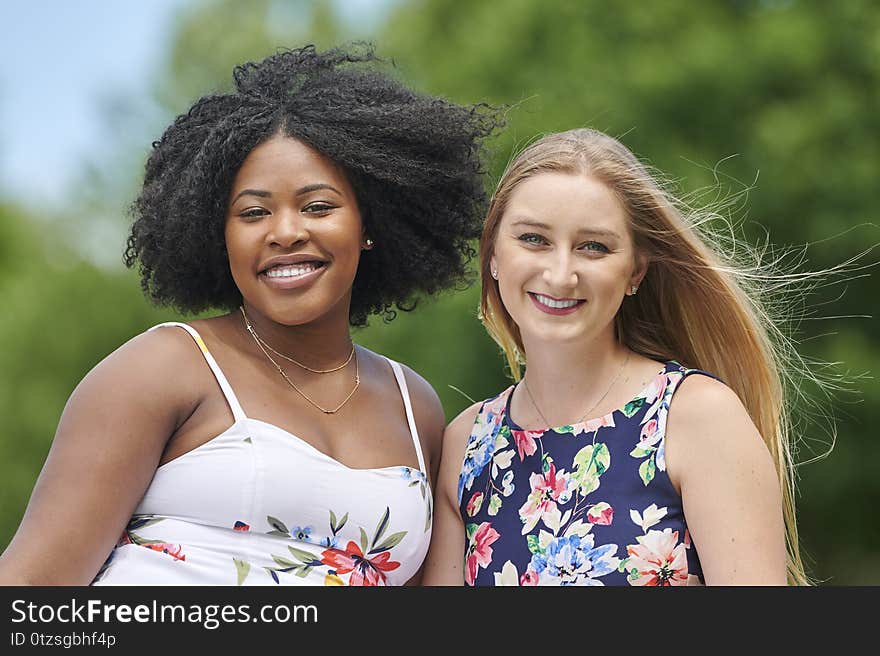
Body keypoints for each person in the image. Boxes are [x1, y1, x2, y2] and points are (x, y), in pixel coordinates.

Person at [0, 45, 498, 586]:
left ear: (370, 223)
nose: (285, 232)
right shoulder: (163, 368)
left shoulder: (414, 405)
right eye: (253, 213)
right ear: (220, 235)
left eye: (317, 206)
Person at [423, 128, 811, 586]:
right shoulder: (468, 443)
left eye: (594, 247)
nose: (561, 274)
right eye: (533, 239)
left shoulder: (695, 416)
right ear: (492, 255)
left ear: (635, 272)